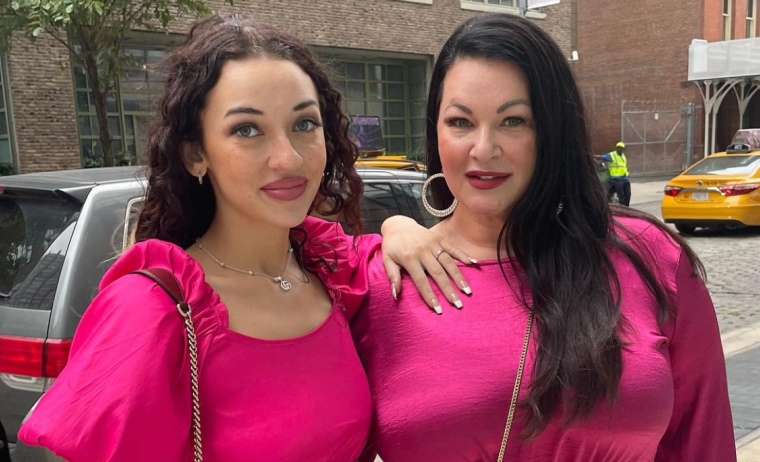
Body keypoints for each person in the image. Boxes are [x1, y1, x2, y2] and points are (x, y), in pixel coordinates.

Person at [17, 14, 469, 462]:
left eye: (304, 124)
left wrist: (399, 226)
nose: (287, 159)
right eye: (246, 130)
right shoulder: (152, 310)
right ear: (195, 154)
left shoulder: (329, 270)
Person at [342, 14, 735, 462]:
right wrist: (391, 227)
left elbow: (704, 442)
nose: (483, 148)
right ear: (435, 129)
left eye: (513, 121)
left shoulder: (650, 257)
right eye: (460, 121)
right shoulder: (378, 282)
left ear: (552, 130)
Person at [596, 141, 631, 206]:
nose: (620, 149)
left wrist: (627, 175)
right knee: (621, 195)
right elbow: (601, 157)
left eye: (621, 148)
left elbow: (623, 167)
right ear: (616, 148)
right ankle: (622, 207)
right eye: (619, 147)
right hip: (616, 179)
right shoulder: (612, 155)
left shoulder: (623, 156)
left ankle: (626, 207)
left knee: (628, 194)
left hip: (625, 178)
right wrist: (590, 156)